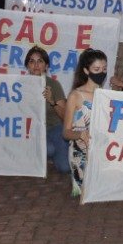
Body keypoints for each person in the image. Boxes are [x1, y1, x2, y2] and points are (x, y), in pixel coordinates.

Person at [63, 49, 109, 197]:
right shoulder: (76, 96)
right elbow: (66, 132)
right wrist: (80, 134)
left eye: (104, 69)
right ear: (86, 70)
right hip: (81, 152)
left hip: (102, 150)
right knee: (88, 192)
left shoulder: (105, 95)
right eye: (96, 69)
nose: (101, 73)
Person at [24, 45, 70, 175]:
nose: (36, 65)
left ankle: (49, 155)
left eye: (40, 61)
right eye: (32, 61)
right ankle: (43, 154)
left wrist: (52, 101)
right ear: (27, 66)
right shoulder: (20, 85)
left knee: (65, 168)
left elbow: (65, 116)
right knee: (48, 149)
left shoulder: (54, 85)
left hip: (54, 127)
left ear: (46, 66)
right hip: (33, 130)